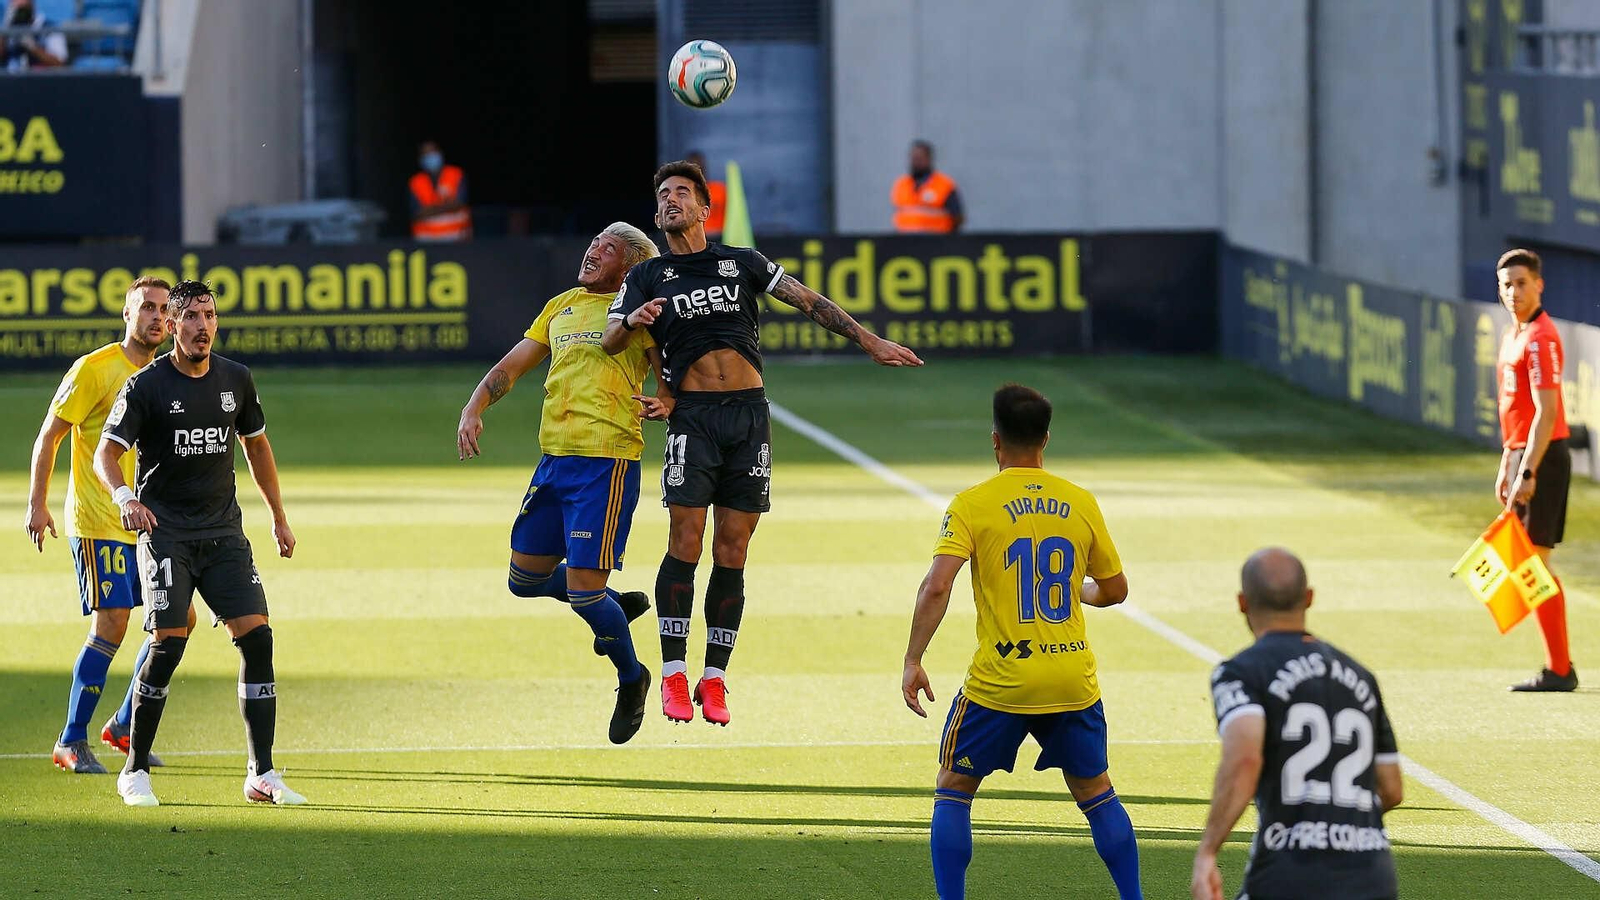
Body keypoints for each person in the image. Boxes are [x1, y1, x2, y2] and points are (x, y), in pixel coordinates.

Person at [602, 160, 922, 726]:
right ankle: (673, 674)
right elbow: (609, 340)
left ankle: (715, 678)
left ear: (704, 208)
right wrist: (634, 321)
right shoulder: (649, 276)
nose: (671, 201)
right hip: (694, 418)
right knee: (686, 539)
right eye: (663, 195)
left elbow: (807, 300)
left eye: (682, 193)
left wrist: (869, 340)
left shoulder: (740, 263)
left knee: (734, 548)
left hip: (749, 417)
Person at [902, 383, 1142, 900]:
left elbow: (936, 585)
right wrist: (1077, 589)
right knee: (1098, 793)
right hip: (1070, 677)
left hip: (1001, 682)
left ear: (995, 442)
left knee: (954, 789)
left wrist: (913, 658)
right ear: (1046, 440)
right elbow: (1117, 590)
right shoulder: (1080, 502)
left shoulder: (973, 504)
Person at [95, 280, 305, 808]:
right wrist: (124, 496)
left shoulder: (237, 379)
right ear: (172, 327)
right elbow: (106, 452)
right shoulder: (146, 386)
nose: (201, 326)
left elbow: (257, 449)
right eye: (189, 316)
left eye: (209, 316)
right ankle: (135, 769)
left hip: (223, 533)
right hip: (166, 533)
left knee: (257, 638)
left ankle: (262, 772)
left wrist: (279, 517)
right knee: (168, 642)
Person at [457, 223, 668, 744]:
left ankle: (632, 677)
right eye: (593, 242)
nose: (593, 251)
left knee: (582, 594)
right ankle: (610, 602)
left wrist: (670, 399)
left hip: (606, 462)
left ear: (630, 265)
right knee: (523, 581)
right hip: (553, 461)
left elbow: (674, 372)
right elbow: (516, 363)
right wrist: (475, 405)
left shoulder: (643, 309)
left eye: (608, 248)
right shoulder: (561, 306)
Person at [26, 277, 197, 775]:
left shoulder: (170, 374)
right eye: (146, 307)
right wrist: (37, 503)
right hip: (99, 519)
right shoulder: (94, 369)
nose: (156, 317)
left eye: (165, 309)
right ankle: (70, 740)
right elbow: (50, 435)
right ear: (127, 315)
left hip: (149, 523)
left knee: (179, 621)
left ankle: (123, 724)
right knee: (114, 621)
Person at [1192, 548, 1403, 900]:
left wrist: (1208, 850)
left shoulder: (1241, 673)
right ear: (1308, 598)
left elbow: (1244, 758)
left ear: (1243, 603)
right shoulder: (1361, 676)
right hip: (1372, 876)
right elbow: (1392, 789)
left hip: (1291, 874)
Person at [1493, 249, 1576, 692]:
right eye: (1506, 284)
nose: (1513, 292)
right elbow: (1516, 414)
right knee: (1531, 567)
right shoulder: (1514, 335)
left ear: (1539, 284)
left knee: (1535, 566)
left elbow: (1546, 412)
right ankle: (1559, 666)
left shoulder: (1541, 338)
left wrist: (1528, 470)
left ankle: (1560, 669)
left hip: (1544, 459)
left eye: (1521, 283)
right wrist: (1508, 462)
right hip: (1524, 456)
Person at [891, 139, 963, 233]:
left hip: (936, 241)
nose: (916, 162)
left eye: (919, 158)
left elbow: (957, 217)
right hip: (905, 241)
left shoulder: (944, 184)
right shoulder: (901, 184)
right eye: (914, 158)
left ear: (929, 159)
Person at [409, 140, 472, 241]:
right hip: (427, 240)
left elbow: (460, 203)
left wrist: (431, 209)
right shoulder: (416, 181)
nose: (430, 157)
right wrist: (446, 206)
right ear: (420, 158)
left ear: (440, 153)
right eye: (426, 154)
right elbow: (416, 213)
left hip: (456, 237)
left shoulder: (455, 174)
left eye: (432, 152)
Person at [2, 0, 68, 72]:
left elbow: (59, 63)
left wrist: (33, 47)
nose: (21, 13)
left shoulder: (50, 28)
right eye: (17, 9)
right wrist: (6, 28)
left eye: (23, 9)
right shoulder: (9, 28)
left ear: (32, 5)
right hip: (10, 79)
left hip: (40, 79)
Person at [684, 151, 726, 238]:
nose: (697, 172)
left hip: (719, 238)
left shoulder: (720, 190)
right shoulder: (681, 195)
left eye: (700, 167)